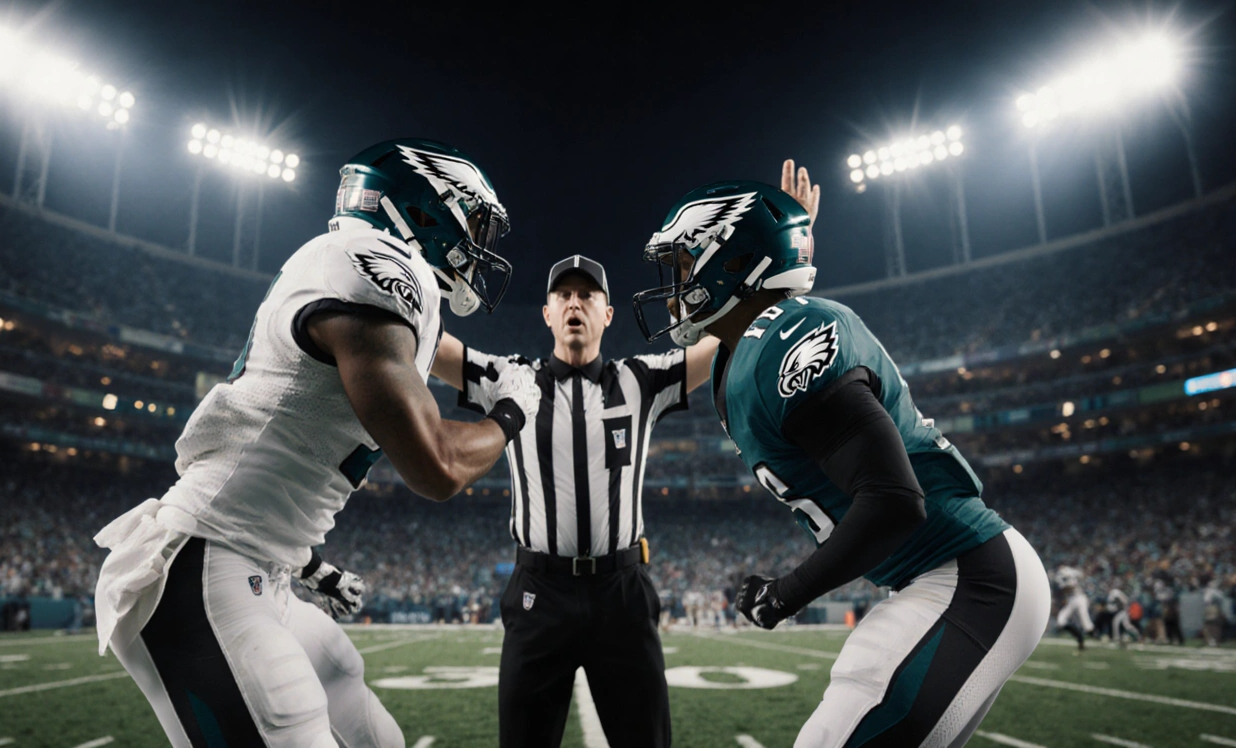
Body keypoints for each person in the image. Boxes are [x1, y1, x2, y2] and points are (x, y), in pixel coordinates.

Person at [92, 139, 541, 748]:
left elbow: (427, 363)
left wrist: (312, 567)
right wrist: (514, 411)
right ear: (428, 212)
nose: (479, 249)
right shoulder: (368, 266)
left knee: (360, 706)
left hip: (256, 562)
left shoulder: (364, 278)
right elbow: (437, 466)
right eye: (475, 225)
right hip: (203, 567)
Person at [632, 161, 1051, 747]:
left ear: (731, 262)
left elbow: (894, 501)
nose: (673, 284)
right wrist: (784, 256)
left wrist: (787, 592)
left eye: (681, 263)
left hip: (967, 576)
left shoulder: (785, 340)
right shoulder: (745, 352)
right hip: (944, 578)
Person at [431, 253, 718, 748]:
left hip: (621, 591)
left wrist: (783, 265)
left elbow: (726, 341)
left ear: (608, 315)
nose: (574, 303)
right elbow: (430, 346)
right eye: (563, 295)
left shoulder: (641, 380)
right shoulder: (511, 378)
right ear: (547, 313)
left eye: (587, 295)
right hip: (539, 593)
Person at [1055, 565, 1094, 652]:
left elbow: (1082, 575)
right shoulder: (1063, 577)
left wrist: (1074, 580)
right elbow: (1066, 588)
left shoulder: (1071, 573)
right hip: (1071, 599)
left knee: (1086, 623)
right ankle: (1080, 639)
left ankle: (1097, 638)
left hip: (1080, 597)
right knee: (1061, 621)